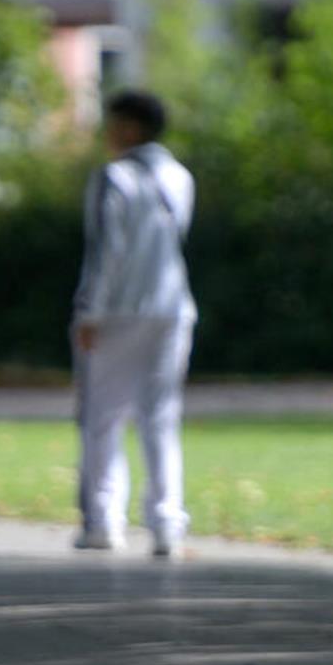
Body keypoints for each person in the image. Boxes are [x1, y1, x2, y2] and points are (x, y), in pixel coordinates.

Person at [71, 89, 197, 558]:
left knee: (103, 416)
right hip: (172, 308)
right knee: (160, 417)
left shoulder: (114, 177)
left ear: (129, 127)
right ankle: (167, 523)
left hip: (119, 311)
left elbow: (106, 251)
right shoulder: (179, 176)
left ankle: (103, 521)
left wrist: (89, 311)